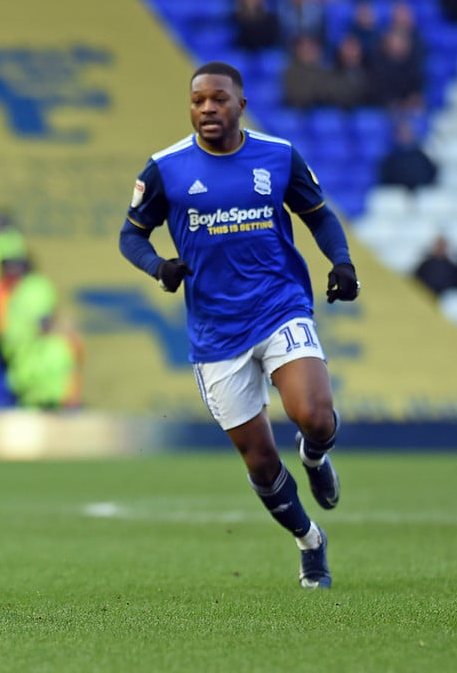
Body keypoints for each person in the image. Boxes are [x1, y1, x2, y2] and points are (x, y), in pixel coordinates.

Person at [118, 61, 359, 589]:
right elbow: (130, 236)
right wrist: (158, 265)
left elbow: (319, 213)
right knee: (259, 460)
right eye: (198, 100)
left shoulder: (277, 156)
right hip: (216, 333)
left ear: (240, 105)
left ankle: (315, 455)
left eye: (218, 99)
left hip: (279, 306)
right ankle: (310, 540)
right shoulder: (166, 168)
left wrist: (340, 261)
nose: (207, 108)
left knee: (315, 415)